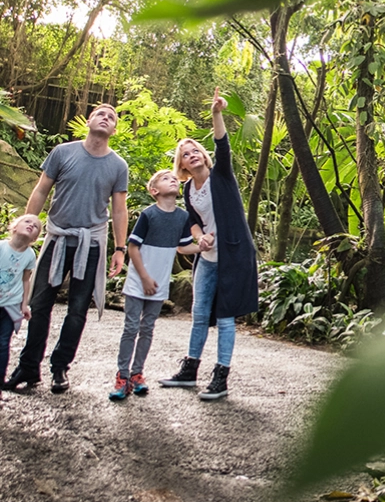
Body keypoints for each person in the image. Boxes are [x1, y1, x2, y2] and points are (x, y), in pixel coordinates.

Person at [6, 104, 128, 394]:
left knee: (76, 311)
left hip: (91, 243)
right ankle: (28, 367)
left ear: (114, 129)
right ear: (89, 121)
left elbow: (120, 209)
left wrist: (120, 248)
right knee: (38, 305)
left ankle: (60, 367)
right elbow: (41, 189)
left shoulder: (117, 165)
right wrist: (29, 227)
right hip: (57, 237)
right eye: (101, 113)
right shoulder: (63, 152)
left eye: (112, 117)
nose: (106, 117)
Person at [161, 88, 258, 400]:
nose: (192, 154)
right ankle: (190, 370)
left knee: (226, 316)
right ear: (183, 165)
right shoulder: (189, 189)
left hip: (233, 254)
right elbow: (192, 218)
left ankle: (220, 377)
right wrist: (198, 236)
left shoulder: (222, 175)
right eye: (185, 154)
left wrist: (217, 113)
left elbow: (222, 145)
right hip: (208, 257)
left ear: (203, 156)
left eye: (195, 150)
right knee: (200, 312)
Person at [109, 170, 199, 401]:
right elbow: (132, 247)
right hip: (139, 282)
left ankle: (138, 373)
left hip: (159, 284)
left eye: (173, 178)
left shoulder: (182, 217)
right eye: (165, 178)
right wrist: (145, 278)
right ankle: (122, 376)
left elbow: (183, 247)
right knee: (131, 328)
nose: (172, 179)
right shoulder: (149, 215)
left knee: (148, 328)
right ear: (154, 191)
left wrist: (205, 246)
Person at [0, 213, 42, 394]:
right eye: (27, 221)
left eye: (36, 226)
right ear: (14, 227)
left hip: (10, 306)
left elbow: (26, 280)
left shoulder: (30, 255)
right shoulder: (1, 247)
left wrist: (24, 304)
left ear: (35, 238)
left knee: (3, 343)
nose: (32, 225)